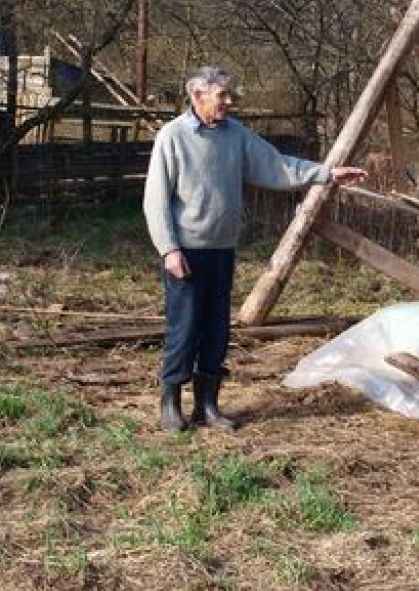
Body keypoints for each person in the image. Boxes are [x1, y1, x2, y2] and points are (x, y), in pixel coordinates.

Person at [143, 66, 366, 432]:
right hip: (186, 252)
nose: (230, 102)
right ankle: (171, 403)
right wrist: (169, 249)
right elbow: (155, 201)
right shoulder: (173, 137)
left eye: (230, 95)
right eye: (222, 95)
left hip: (222, 250)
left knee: (216, 330)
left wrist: (327, 173)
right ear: (198, 95)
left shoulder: (236, 136)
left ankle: (207, 406)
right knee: (184, 329)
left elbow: (276, 165)